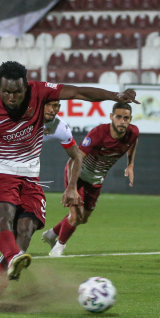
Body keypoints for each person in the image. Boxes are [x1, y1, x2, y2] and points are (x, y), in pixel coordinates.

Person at [0, 61, 137, 310]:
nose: (12, 98)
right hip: (1, 173)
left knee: (26, 230)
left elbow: (78, 92)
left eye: (17, 92)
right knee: (3, 218)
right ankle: (11, 259)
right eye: (7, 92)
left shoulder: (40, 92)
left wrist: (117, 96)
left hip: (31, 177)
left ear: (26, 86)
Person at [0, 95, 80, 260]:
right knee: (4, 213)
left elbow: (77, 156)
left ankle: (7, 257)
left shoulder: (59, 127)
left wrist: (72, 186)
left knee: (22, 225)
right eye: (48, 105)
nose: (52, 110)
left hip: (27, 174)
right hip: (3, 168)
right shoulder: (19, 116)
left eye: (56, 106)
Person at [42, 102, 138, 256]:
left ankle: (52, 234)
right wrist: (72, 187)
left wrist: (130, 164)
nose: (122, 121)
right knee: (75, 216)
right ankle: (58, 247)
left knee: (83, 219)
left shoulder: (132, 132)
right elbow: (76, 159)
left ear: (130, 119)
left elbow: (133, 142)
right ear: (111, 117)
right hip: (77, 174)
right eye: (118, 117)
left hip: (96, 179)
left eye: (126, 118)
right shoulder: (99, 134)